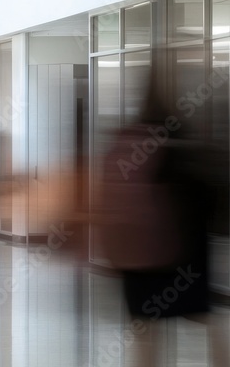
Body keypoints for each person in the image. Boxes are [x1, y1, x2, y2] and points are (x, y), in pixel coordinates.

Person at [99, 62, 229, 367]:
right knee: (205, 317)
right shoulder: (181, 139)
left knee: (145, 327)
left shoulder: (129, 137)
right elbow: (204, 198)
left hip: (137, 251)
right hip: (183, 249)